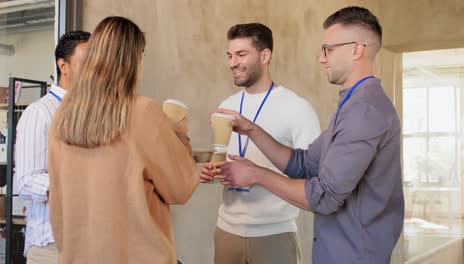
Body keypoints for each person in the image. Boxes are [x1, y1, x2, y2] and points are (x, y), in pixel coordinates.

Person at [217, 7, 404, 264]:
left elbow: (325, 196)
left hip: (354, 256)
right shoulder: (351, 106)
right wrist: (251, 129)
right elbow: (304, 163)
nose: (321, 58)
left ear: (357, 49)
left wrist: (256, 174)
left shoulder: (364, 112)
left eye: (328, 49)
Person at [48, 16, 198, 263]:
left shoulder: (63, 115)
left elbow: (57, 201)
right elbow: (181, 188)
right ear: (133, 59)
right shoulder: (143, 112)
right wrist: (179, 133)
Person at [200, 23, 320, 264]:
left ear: (265, 56)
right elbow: (223, 156)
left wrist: (257, 174)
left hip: (274, 234)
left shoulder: (297, 108)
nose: (233, 62)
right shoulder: (227, 105)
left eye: (241, 54)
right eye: (230, 55)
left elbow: (315, 178)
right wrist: (211, 169)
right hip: (226, 231)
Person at [16, 30, 90, 263]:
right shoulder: (39, 113)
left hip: (89, 241)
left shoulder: (93, 114)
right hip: (51, 245)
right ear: (63, 66)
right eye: (86, 62)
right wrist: (81, 181)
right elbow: (26, 180)